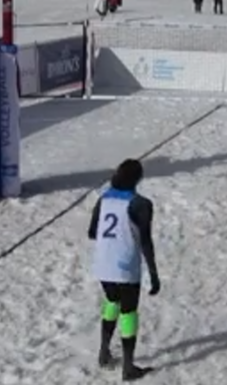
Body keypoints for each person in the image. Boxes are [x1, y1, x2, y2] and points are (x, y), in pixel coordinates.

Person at [87, 159, 160, 381]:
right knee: (129, 312)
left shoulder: (104, 199)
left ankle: (104, 352)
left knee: (111, 303)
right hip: (125, 266)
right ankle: (128, 367)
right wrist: (154, 275)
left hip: (102, 263)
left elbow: (92, 232)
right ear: (138, 179)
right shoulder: (141, 204)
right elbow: (146, 242)